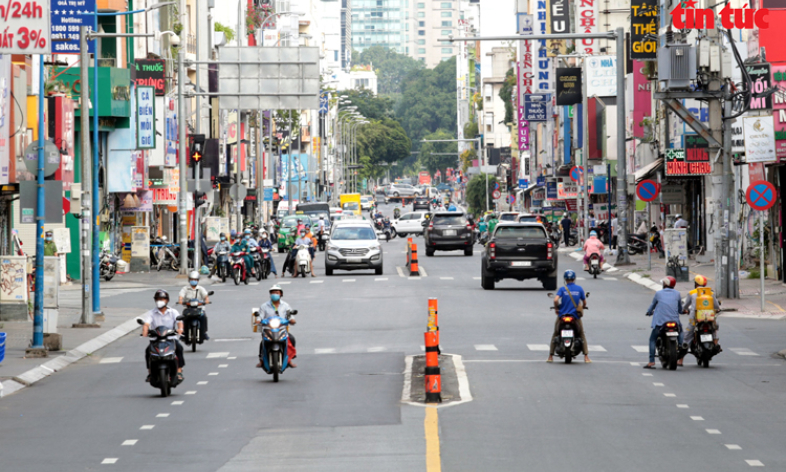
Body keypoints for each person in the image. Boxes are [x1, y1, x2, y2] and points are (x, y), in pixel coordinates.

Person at [141, 289, 185, 382]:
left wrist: (180, 329)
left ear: (167, 300)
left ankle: (179, 371)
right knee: (147, 351)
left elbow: (179, 322)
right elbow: (146, 324)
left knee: (179, 348)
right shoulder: (151, 313)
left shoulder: (173, 312)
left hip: (170, 338)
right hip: (156, 339)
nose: (159, 301)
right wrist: (145, 331)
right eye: (157, 299)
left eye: (162, 299)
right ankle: (150, 372)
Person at [548, 270, 591, 363]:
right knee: (581, 334)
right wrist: (582, 308)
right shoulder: (579, 288)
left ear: (565, 279)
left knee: (556, 333)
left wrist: (556, 309)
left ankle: (550, 356)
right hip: (575, 316)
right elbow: (584, 302)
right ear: (574, 278)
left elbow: (555, 300)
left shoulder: (563, 289)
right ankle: (586, 357)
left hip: (562, 315)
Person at [680, 274, 721, 365]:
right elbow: (717, 306)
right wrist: (717, 309)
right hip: (709, 317)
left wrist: (684, 310)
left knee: (687, 336)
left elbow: (685, 306)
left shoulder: (691, 293)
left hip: (695, 318)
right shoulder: (710, 293)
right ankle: (715, 343)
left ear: (696, 284)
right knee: (715, 329)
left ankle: (680, 360)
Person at [643, 276, 684, 369]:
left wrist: (649, 312)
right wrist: (682, 311)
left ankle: (651, 361)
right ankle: (681, 346)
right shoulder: (677, 294)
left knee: (652, 339)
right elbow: (680, 309)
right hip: (674, 322)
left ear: (665, 284)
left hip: (661, 323)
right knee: (681, 332)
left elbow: (652, 305)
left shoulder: (658, 293)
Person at [256, 285, 297, 368]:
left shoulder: (285, 305)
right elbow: (259, 316)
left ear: (281, 294)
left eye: (277, 292)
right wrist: (258, 320)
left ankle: (289, 359)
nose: (275, 294)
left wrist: (292, 320)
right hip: (268, 329)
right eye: (273, 292)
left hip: (281, 329)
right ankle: (261, 360)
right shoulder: (264, 306)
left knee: (291, 339)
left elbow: (290, 316)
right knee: (263, 342)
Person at [177, 271, 210, 341]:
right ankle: (184, 333)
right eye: (192, 279)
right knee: (184, 318)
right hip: (188, 308)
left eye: (195, 280)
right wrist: (180, 300)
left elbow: (206, 296)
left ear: (198, 280)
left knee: (203, 317)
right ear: (189, 280)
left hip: (199, 308)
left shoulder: (201, 289)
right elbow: (181, 296)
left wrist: (206, 301)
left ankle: (204, 332)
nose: (193, 281)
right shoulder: (185, 288)